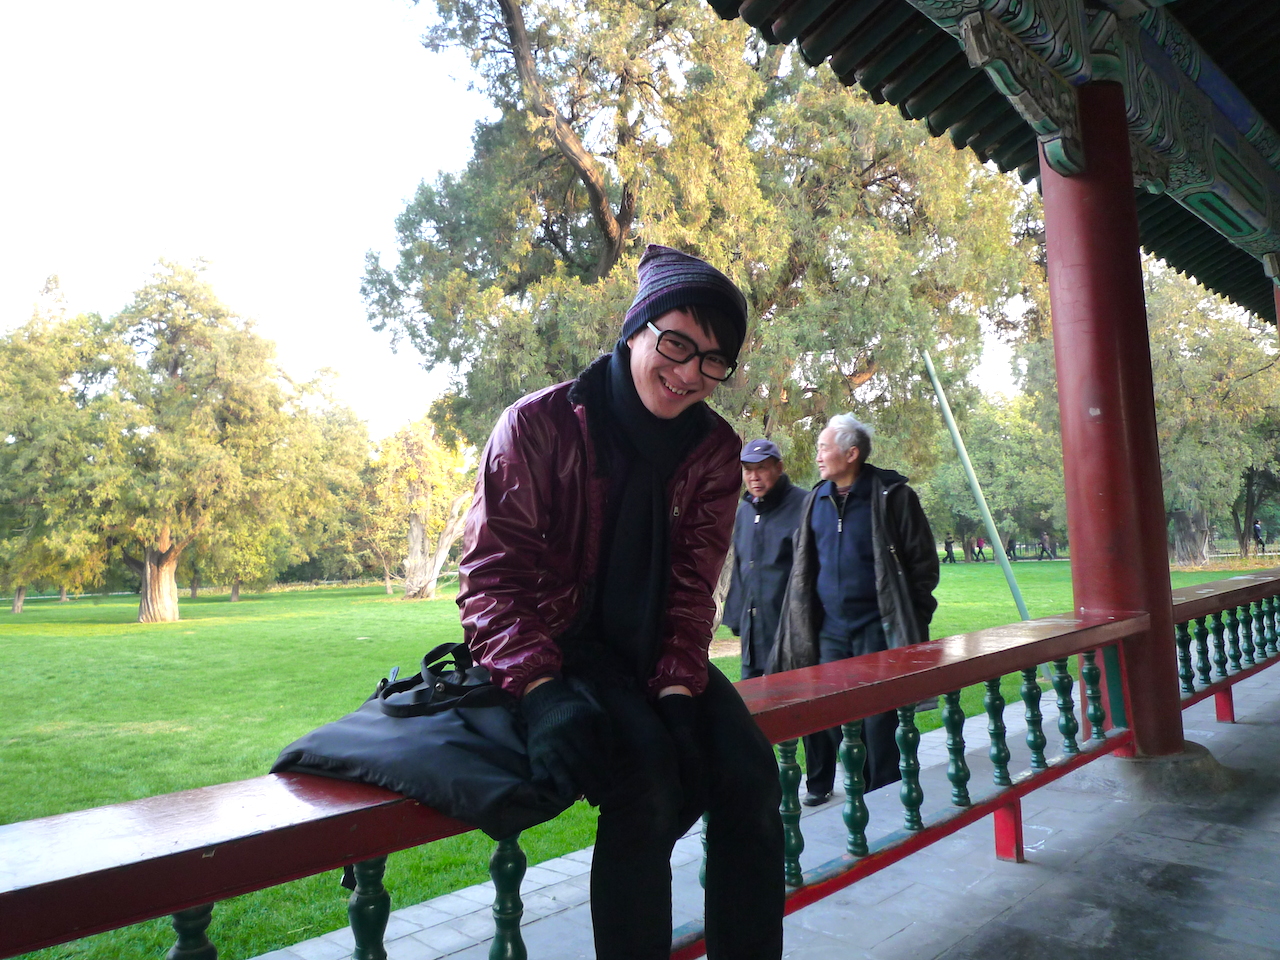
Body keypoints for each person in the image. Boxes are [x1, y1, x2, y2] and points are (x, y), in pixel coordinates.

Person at [456, 244, 784, 960]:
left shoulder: (714, 451)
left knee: (752, 777)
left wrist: (678, 693)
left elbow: (691, 590)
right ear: (635, 328)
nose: (690, 373)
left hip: (648, 646)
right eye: (677, 344)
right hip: (557, 646)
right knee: (648, 786)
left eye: (714, 361)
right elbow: (492, 581)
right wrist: (540, 692)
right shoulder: (537, 425)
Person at [773, 414, 939, 805]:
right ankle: (855, 789)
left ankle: (885, 796)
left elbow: (923, 565)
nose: (818, 456)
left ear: (851, 454)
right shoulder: (816, 499)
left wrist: (912, 616)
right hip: (829, 631)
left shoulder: (893, 496)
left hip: (878, 627)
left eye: (824, 448)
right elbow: (805, 563)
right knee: (833, 714)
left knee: (880, 720)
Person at [723, 438, 808, 679]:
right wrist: (737, 619)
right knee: (752, 701)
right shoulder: (745, 511)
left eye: (761, 468)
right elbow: (741, 567)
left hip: (790, 638)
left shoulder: (804, 505)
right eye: (748, 470)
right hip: (752, 641)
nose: (754, 477)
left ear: (779, 468)